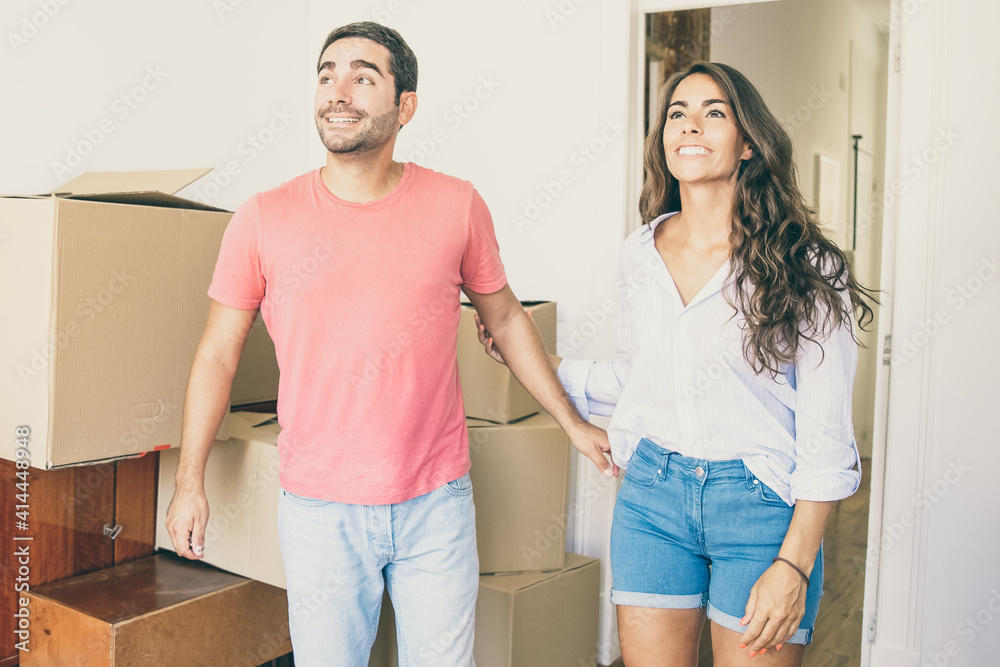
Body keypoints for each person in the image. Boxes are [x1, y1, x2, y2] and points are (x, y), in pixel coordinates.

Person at [164, 21, 615, 667]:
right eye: (326, 74)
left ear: (405, 105)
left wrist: (571, 421)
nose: (337, 91)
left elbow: (509, 319)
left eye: (362, 76)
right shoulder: (262, 218)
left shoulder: (456, 205)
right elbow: (217, 352)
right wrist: (189, 482)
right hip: (319, 509)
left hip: (436, 501)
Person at [477, 62, 876, 666]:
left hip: (760, 511)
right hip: (651, 502)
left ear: (748, 143)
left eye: (714, 112)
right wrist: (532, 356)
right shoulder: (640, 253)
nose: (690, 125)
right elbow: (637, 382)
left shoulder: (809, 269)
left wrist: (793, 564)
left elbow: (825, 442)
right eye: (676, 113)